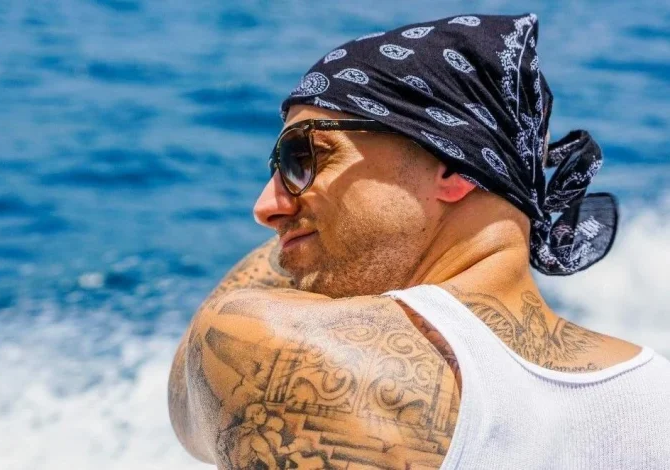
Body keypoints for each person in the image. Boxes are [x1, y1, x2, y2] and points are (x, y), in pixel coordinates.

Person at [168, 13, 670, 469]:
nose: (265, 206)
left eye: (305, 158)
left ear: (450, 165)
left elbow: (189, 394)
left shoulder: (274, 349)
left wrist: (300, 238)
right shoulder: (655, 395)